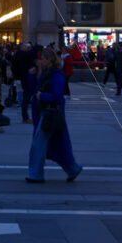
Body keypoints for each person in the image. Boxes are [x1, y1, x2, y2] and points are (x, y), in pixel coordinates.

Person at [26, 47, 82, 184]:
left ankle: (36, 174)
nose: (41, 61)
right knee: (56, 146)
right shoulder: (46, 74)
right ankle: (72, 169)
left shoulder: (56, 76)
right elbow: (35, 90)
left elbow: (58, 97)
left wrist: (42, 96)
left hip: (49, 114)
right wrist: (32, 76)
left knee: (38, 145)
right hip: (45, 113)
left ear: (49, 60)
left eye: (43, 59)